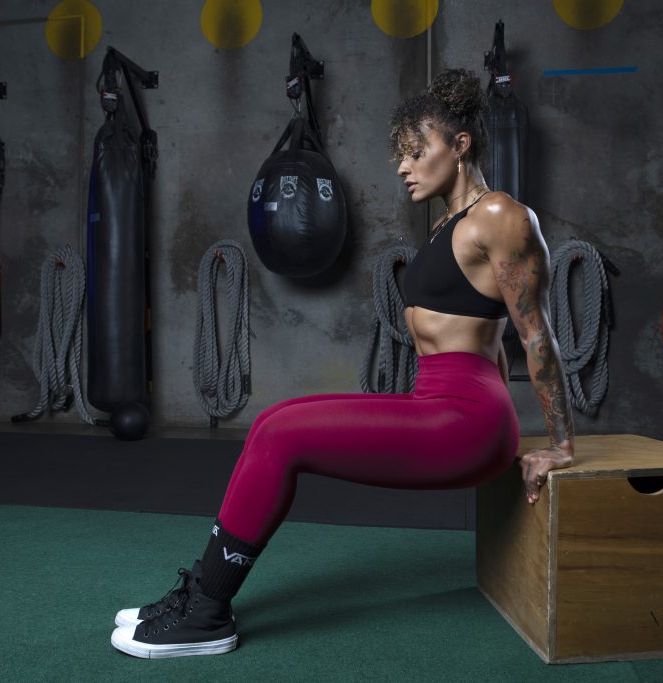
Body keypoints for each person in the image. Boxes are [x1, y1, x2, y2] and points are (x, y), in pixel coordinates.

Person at [110, 68, 575, 660]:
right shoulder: (445, 227)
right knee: (272, 422)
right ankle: (201, 590)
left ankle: (207, 614)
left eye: (416, 151)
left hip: (469, 422)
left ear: (460, 146)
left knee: (281, 435)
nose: (402, 166)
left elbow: (536, 335)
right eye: (400, 154)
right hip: (433, 403)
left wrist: (561, 444)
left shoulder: (500, 217)